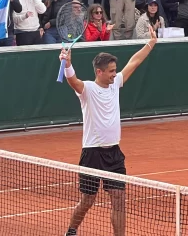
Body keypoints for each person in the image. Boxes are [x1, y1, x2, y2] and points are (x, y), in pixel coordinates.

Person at [61, 26, 157, 236]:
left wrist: (151, 43)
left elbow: (135, 61)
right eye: (112, 71)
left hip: (114, 153)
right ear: (99, 72)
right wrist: (68, 65)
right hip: (92, 154)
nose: (115, 74)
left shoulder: (115, 85)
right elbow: (73, 81)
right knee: (87, 200)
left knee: (119, 199)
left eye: (115, 70)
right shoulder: (88, 89)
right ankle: (71, 230)